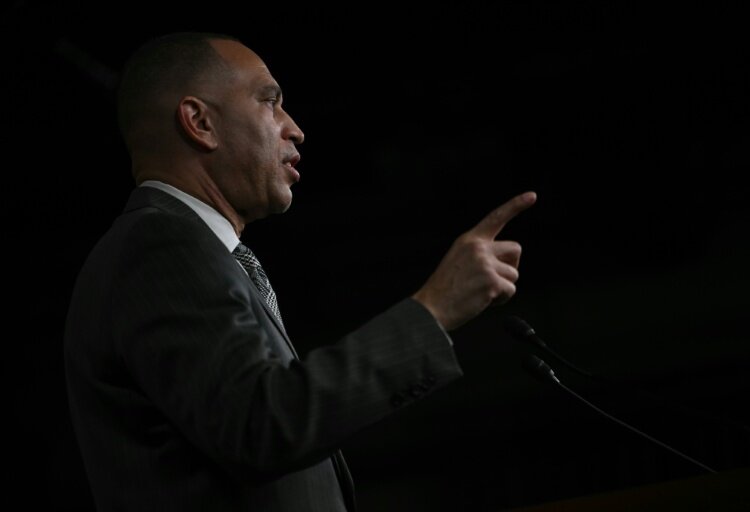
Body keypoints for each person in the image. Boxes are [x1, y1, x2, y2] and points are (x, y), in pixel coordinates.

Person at [63, 31, 537, 512]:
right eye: (270, 102)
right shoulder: (159, 246)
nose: (294, 128)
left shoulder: (188, 250)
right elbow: (259, 425)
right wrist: (433, 310)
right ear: (200, 122)